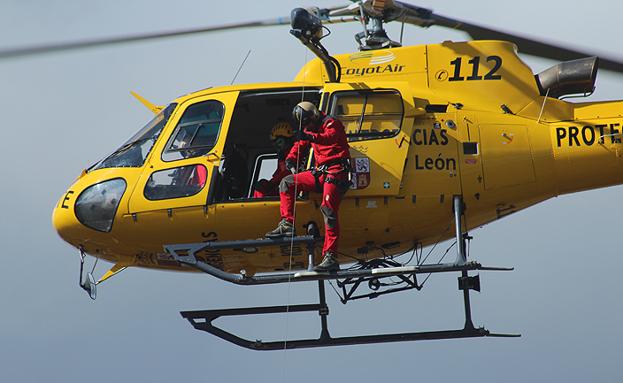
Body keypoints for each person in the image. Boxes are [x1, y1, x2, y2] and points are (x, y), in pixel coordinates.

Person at [266, 101, 351, 272]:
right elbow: (300, 145)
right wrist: (291, 158)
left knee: (328, 210)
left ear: (314, 115)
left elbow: (329, 138)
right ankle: (287, 224)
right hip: (321, 173)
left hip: (336, 172)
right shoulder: (309, 129)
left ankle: (331, 256)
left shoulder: (331, 123)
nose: (308, 127)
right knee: (287, 183)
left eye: (309, 123)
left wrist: (310, 137)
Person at [253, 121, 298, 198]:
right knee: (262, 185)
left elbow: (288, 172)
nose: (278, 147)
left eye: (280, 142)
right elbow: (279, 173)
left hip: (289, 186)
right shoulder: (282, 156)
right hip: (281, 185)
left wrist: (272, 182)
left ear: (288, 140)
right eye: (275, 145)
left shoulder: (295, 154)